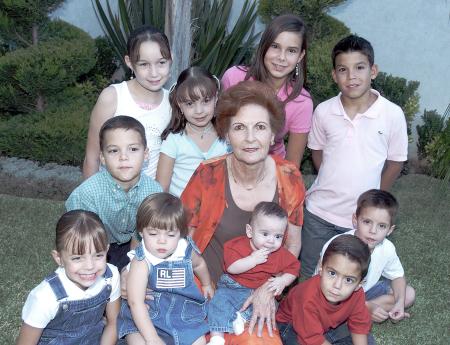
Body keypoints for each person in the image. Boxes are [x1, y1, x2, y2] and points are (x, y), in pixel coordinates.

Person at [181, 80, 305, 342]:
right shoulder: (208, 174)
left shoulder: (289, 178)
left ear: (272, 136)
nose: (250, 138)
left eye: (260, 127)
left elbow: (292, 246)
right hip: (205, 285)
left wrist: (268, 290)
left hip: (256, 289)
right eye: (239, 128)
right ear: (226, 135)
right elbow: (181, 238)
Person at [300, 34, 408, 276]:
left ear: (373, 71)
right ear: (334, 76)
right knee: (311, 273)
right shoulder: (324, 111)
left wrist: (373, 198)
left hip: (362, 220)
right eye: (343, 69)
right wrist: (331, 176)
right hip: (319, 212)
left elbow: (396, 161)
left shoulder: (391, 114)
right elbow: (316, 151)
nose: (352, 77)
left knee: (351, 274)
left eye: (359, 67)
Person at [66, 116, 162, 271]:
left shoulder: (154, 193)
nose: (123, 157)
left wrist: (132, 268)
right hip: (95, 248)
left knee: (149, 281)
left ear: (146, 154)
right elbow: (80, 242)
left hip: (137, 245)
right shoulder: (86, 194)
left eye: (133, 149)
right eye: (114, 150)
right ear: (103, 158)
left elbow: (147, 237)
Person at [118, 193, 214, 345]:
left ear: (181, 234)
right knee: (137, 341)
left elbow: (199, 264)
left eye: (170, 234)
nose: (161, 241)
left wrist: (206, 283)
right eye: (153, 233)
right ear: (141, 232)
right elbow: (135, 302)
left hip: (182, 313)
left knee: (199, 341)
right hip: (146, 315)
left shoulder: (184, 250)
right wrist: (152, 338)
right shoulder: (141, 261)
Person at [16, 210, 121, 345]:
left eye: (98, 255)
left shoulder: (110, 276)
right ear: (59, 258)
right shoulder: (44, 297)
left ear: (107, 250)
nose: (90, 266)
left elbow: (113, 323)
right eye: (77, 258)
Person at [221, 14, 313, 168]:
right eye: (275, 47)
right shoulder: (234, 77)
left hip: (271, 169)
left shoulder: (302, 102)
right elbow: (216, 130)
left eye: (291, 51)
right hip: (227, 161)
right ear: (264, 45)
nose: (281, 57)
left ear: (300, 56)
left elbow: (291, 166)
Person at [83, 25, 172, 179]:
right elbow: (92, 157)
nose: (154, 73)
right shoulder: (112, 97)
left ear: (171, 59)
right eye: (144, 64)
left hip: (152, 198)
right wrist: (89, 199)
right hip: (110, 195)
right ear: (129, 62)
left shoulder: (173, 102)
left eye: (161, 63)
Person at [316, 189, 416, 323]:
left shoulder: (387, 248)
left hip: (364, 292)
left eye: (381, 226)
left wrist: (399, 302)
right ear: (355, 220)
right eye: (367, 222)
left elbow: (397, 276)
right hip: (334, 293)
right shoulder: (338, 246)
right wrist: (366, 307)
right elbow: (321, 287)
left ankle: (358, 311)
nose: (373, 231)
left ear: (390, 230)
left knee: (408, 295)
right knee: (326, 310)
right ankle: (358, 312)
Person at [208, 202, 300, 345]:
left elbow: (294, 268)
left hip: (258, 290)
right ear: (250, 231)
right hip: (233, 286)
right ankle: (217, 338)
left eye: (278, 236)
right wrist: (252, 260)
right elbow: (231, 268)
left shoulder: (280, 254)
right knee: (218, 303)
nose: (271, 241)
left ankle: (240, 319)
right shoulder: (236, 245)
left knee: (268, 310)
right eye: (265, 234)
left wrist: (283, 281)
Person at [276, 235, 373, 345]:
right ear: (321, 269)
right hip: (292, 327)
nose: (337, 285)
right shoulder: (308, 297)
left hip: (323, 327)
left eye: (348, 280)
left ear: (358, 285)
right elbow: (312, 339)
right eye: (332, 273)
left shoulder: (357, 294)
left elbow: (359, 324)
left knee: (367, 339)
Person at [156, 66, 230, 197]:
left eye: (206, 101)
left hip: (218, 212)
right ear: (180, 104)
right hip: (181, 213)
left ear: (216, 98)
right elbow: (161, 188)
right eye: (190, 104)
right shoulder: (174, 141)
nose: (199, 110)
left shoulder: (227, 137)